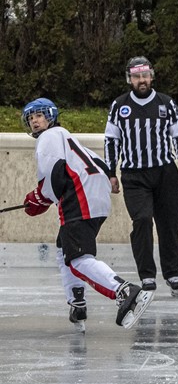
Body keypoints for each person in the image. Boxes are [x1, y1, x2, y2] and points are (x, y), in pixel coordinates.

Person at [20, 98, 154, 331]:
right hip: (95, 199)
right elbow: (99, 164)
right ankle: (77, 303)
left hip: (79, 199)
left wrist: (38, 198)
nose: (34, 121)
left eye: (39, 115)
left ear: (51, 116)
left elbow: (54, 176)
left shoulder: (49, 138)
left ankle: (124, 291)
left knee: (78, 258)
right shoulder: (67, 137)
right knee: (65, 247)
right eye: (30, 118)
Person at [103, 56, 178, 297]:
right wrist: (110, 173)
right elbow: (111, 141)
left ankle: (172, 273)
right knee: (142, 220)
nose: (141, 80)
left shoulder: (166, 103)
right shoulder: (119, 106)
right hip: (134, 175)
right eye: (136, 76)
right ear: (129, 79)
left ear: (152, 76)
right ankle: (146, 275)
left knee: (169, 224)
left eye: (145, 75)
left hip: (164, 172)